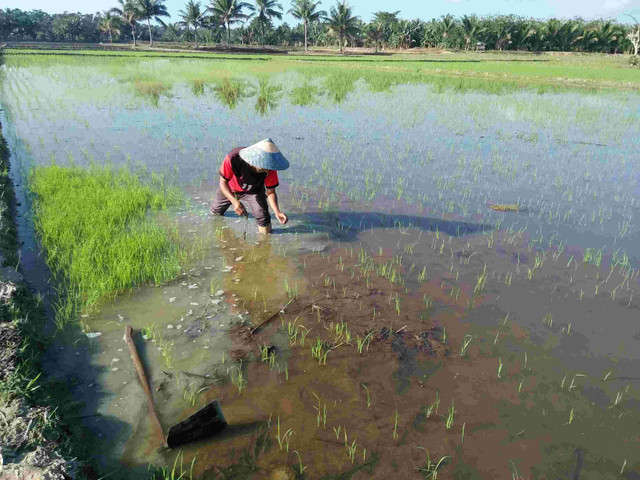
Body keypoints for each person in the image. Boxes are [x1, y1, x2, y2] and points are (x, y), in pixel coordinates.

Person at [210, 138, 289, 234]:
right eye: (264, 165)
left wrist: (277, 211)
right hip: (230, 188)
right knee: (215, 213)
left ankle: (265, 242)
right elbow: (223, 183)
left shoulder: (270, 169)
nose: (267, 170)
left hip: (254, 191)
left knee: (263, 217)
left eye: (268, 166)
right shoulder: (234, 158)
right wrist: (234, 201)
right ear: (256, 158)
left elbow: (271, 192)